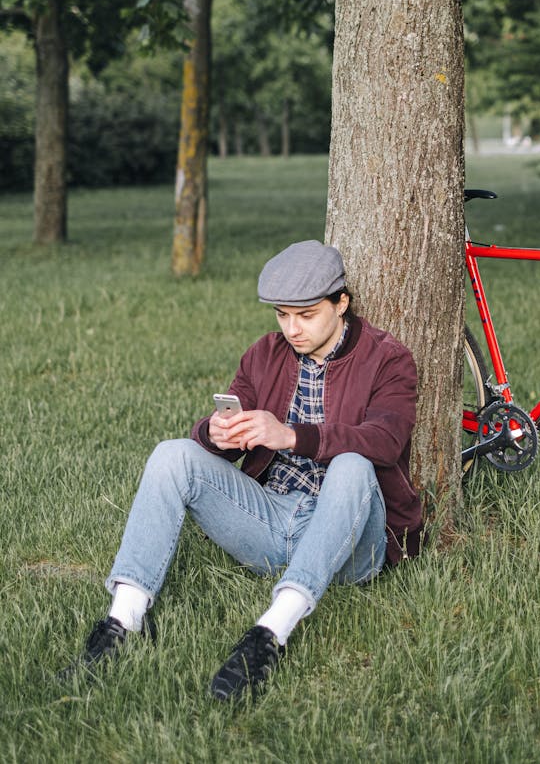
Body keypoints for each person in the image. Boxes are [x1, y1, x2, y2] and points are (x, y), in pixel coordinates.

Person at [60, 240, 423, 702]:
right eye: (282, 315)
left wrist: (291, 435)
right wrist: (217, 433)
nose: (292, 328)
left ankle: (270, 634)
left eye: (306, 315)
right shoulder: (264, 355)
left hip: (351, 538)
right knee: (172, 454)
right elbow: (219, 442)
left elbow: (386, 443)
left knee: (352, 465)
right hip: (272, 521)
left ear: (341, 303)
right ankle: (124, 619)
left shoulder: (388, 358)